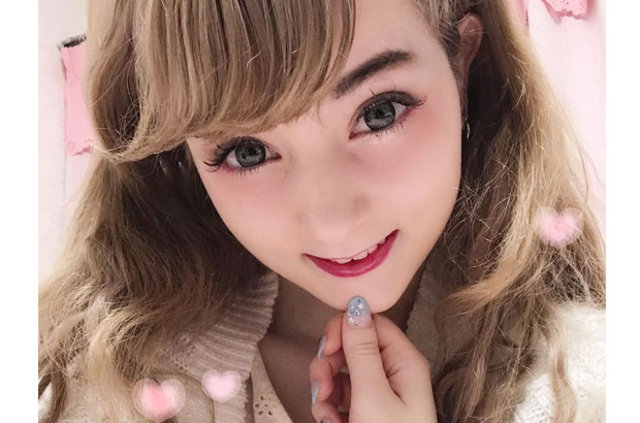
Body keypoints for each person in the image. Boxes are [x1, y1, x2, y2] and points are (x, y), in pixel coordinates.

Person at [38, 0, 605, 422]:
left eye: (380, 112)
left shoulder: (593, 386)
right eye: (247, 151)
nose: (333, 220)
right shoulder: (94, 392)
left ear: (463, 62)